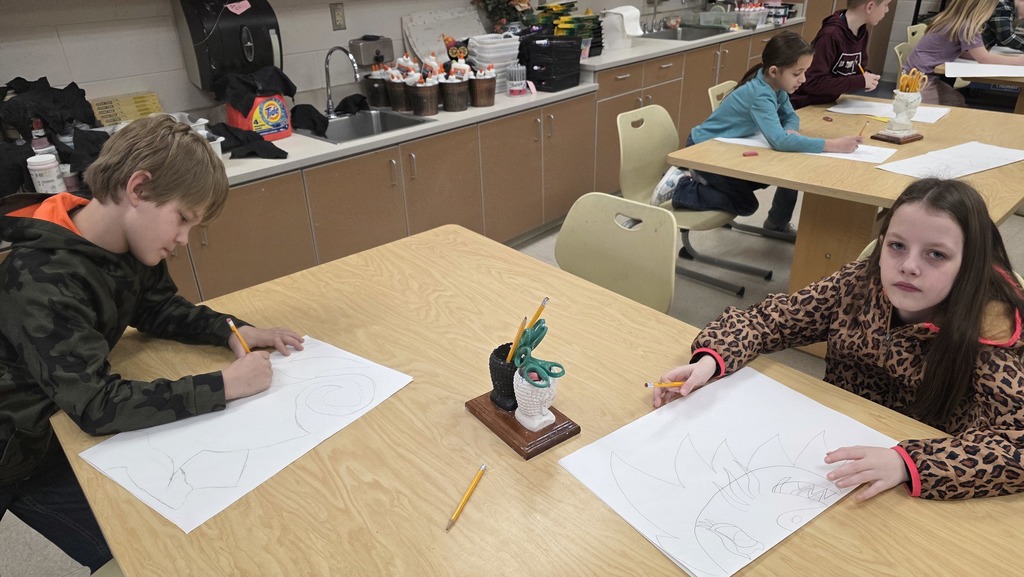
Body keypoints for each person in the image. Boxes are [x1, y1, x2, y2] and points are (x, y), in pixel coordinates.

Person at [0, 114, 305, 571]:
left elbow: (158, 308)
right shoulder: (40, 278)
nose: (182, 240)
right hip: (16, 444)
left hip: (56, 423)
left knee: (131, 545)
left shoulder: (125, 244)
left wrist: (231, 329)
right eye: (182, 219)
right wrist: (224, 385)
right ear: (138, 189)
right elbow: (97, 405)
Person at [652, 178, 1024, 502]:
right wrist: (712, 359)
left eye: (936, 255)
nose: (909, 265)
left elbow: (1017, 445)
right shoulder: (859, 283)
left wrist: (907, 463)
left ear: (970, 264)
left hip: (914, 480)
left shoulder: (993, 331)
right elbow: (770, 320)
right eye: (896, 246)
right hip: (829, 455)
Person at [652, 31, 862, 234]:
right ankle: (682, 187)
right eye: (797, 74)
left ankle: (703, 181)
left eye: (805, 72)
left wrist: (790, 130)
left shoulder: (775, 87)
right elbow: (779, 141)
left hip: (725, 147)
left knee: (769, 177)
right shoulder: (760, 94)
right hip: (703, 149)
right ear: (774, 71)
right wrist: (830, 145)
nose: (804, 79)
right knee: (746, 204)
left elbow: (791, 117)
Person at [905, 0, 1024, 105]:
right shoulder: (967, 26)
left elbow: (969, 54)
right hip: (918, 78)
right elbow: (984, 59)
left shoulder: (955, 20)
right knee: (928, 112)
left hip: (923, 74)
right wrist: (1018, 61)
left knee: (956, 101)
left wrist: (988, 56)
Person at [790, 0, 893, 109]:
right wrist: (859, 81)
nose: (887, 10)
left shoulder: (862, 32)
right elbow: (812, 83)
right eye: (885, 5)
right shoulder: (830, 34)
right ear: (870, 7)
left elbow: (856, 70)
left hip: (829, 103)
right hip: (805, 105)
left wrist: (867, 77)